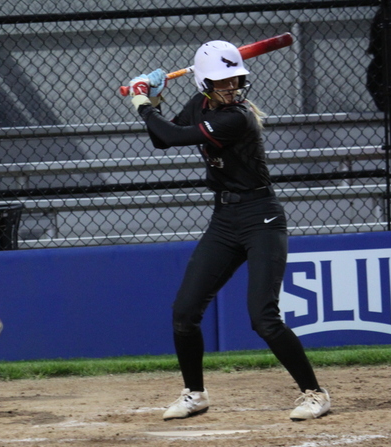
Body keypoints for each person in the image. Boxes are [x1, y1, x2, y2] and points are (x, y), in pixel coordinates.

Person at [126, 41, 331, 422]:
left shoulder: (237, 117)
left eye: (235, 79)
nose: (232, 86)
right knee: (184, 312)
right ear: (205, 82)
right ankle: (195, 393)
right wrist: (155, 104)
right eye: (223, 80)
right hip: (224, 219)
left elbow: (171, 137)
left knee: (262, 317)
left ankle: (315, 393)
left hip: (261, 218)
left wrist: (141, 102)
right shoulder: (201, 105)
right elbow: (162, 137)